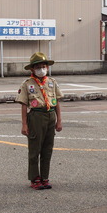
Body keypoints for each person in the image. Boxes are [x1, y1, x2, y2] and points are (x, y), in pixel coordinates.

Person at [16, 52, 63, 189]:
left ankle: (44, 177)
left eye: (43, 66)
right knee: (34, 149)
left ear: (47, 67)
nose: (41, 69)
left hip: (50, 115)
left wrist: (59, 120)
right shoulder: (27, 84)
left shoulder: (52, 82)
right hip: (36, 116)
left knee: (47, 149)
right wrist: (24, 124)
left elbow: (57, 102)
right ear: (32, 69)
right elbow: (24, 105)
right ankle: (34, 178)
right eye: (38, 67)